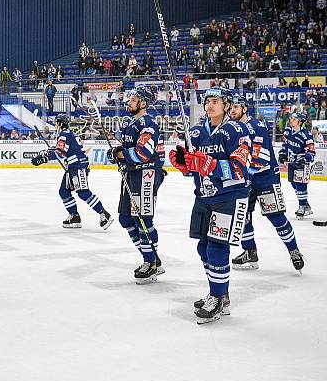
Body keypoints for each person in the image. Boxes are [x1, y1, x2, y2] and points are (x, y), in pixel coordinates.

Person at [170, 87, 251, 324]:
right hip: (204, 197)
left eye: (215, 101)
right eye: (207, 101)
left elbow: (239, 169)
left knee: (216, 247)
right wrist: (185, 165)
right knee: (203, 248)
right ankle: (218, 292)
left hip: (230, 196)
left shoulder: (237, 130)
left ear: (226, 105)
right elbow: (194, 169)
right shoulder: (195, 132)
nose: (210, 105)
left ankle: (217, 297)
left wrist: (209, 164)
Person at [228, 94, 304, 272]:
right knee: (242, 216)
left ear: (244, 109)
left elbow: (260, 157)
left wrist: (242, 174)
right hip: (246, 180)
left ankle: (294, 250)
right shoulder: (233, 127)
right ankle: (250, 251)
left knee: (276, 216)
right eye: (230, 107)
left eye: (236, 107)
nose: (232, 111)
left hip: (265, 178)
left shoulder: (257, 126)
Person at [107, 87, 165, 283]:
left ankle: (151, 262)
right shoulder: (131, 123)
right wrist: (117, 152)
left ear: (143, 103)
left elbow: (142, 154)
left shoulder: (149, 124)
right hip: (132, 174)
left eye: (134, 100)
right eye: (130, 99)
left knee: (143, 220)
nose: (129, 102)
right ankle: (152, 258)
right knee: (125, 219)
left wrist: (120, 154)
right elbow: (127, 149)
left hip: (146, 174)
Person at [32, 114, 113, 229]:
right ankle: (74, 216)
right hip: (73, 167)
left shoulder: (64, 134)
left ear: (59, 123)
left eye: (56, 122)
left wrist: (44, 158)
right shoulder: (69, 133)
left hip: (78, 166)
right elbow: (64, 149)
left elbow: (61, 152)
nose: (55, 125)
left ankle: (104, 214)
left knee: (83, 192)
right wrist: (48, 152)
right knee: (64, 191)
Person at [279, 111, 315, 218]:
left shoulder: (306, 134)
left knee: (300, 185)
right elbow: (285, 145)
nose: (291, 120)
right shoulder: (287, 131)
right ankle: (305, 204)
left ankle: (302, 206)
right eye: (291, 119)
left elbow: (312, 151)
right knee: (293, 184)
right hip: (291, 162)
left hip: (302, 163)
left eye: (294, 119)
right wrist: (282, 154)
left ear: (299, 122)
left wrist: (305, 158)